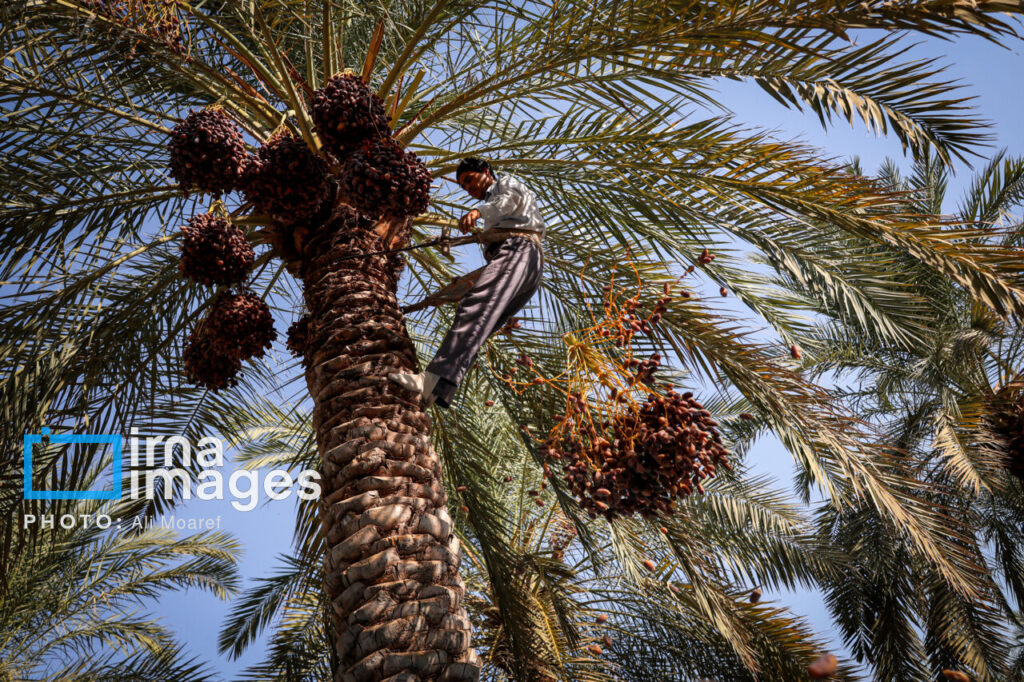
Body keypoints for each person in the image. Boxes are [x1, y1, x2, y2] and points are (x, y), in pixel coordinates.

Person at [388, 157, 546, 408]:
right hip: (528, 263)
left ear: (485, 171)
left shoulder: (504, 184)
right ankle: (436, 390)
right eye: (464, 186)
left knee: (475, 307)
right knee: (482, 324)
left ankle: (431, 380)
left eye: (470, 180)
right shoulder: (496, 209)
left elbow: (508, 201)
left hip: (519, 250)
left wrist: (477, 212)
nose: (469, 189)